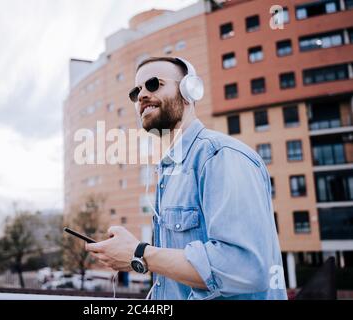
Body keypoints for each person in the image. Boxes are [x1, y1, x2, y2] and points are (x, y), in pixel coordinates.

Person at [85, 56, 287, 300]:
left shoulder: (220, 156)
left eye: (153, 84)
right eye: (136, 91)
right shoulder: (170, 171)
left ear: (189, 90)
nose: (141, 95)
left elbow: (245, 269)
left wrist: (139, 253)